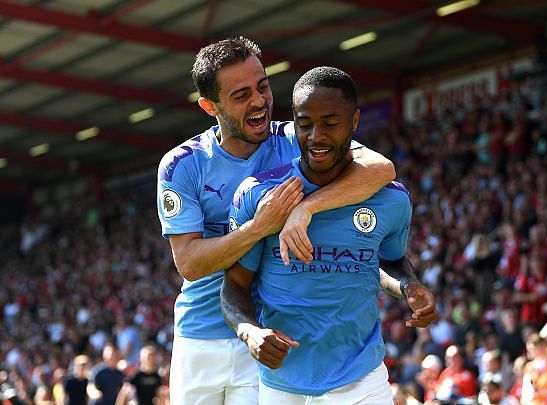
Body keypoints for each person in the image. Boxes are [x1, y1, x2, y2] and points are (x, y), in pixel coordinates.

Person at [156, 37, 396, 404]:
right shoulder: (182, 164)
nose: (258, 101)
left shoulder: (293, 139)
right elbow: (189, 263)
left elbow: (380, 168)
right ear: (209, 106)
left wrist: (305, 208)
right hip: (199, 337)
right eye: (240, 95)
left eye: (262, 86)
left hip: (268, 337)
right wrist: (258, 227)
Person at [221, 66, 436, 404]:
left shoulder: (390, 200)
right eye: (305, 124)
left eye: (331, 124)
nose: (316, 136)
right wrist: (249, 332)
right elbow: (234, 286)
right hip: (282, 384)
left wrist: (408, 285)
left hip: (362, 379)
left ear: (354, 121)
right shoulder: (258, 195)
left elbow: (391, 260)